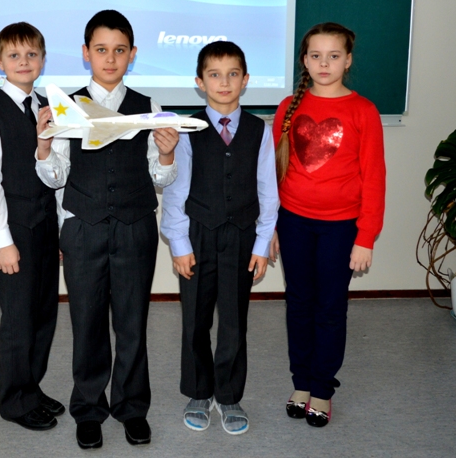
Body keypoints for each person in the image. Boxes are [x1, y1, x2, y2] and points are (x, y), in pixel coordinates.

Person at [36, 9, 179, 449]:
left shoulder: (149, 107)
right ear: (86, 53)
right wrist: (43, 145)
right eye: (101, 50)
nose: (110, 58)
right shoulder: (66, 105)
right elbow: (55, 177)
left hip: (136, 227)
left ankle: (132, 408)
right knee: (87, 323)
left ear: (132, 54)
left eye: (120, 50)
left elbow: (160, 177)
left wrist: (168, 155)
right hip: (84, 226)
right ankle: (88, 409)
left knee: (133, 322)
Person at [271, 22, 386, 427]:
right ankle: (301, 382)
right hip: (293, 223)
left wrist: (365, 237)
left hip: (341, 229)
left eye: (333, 56)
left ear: (348, 60)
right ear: (304, 60)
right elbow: (273, 172)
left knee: (330, 308)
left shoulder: (363, 111)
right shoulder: (288, 107)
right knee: (299, 304)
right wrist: (270, 227)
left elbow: (374, 178)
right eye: (316, 56)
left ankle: (322, 388)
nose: (324, 63)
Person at [160, 41, 278, 435]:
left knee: (233, 320)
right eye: (214, 74)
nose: (224, 82)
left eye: (232, 74)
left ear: (245, 80)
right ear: (200, 82)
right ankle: (198, 391)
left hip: (241, 236)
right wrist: (179, 245)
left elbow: (268, 191)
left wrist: (262, 243)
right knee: (195, 319)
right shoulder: (188, 129)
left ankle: (228, 395)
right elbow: (175, 191)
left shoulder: (260, 130)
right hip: (198, 234)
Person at [0, 22, 63, 431]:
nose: (23, 62)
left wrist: (59, 229)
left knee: (44, 315)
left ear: (42, 59)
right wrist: (3, 242)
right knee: (18, 319)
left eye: (31, 54)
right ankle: (14, 401)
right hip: (11, 229)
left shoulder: (48, 105)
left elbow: (56, 173)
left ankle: (31, 387)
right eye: (14, 55)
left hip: (44, 225)